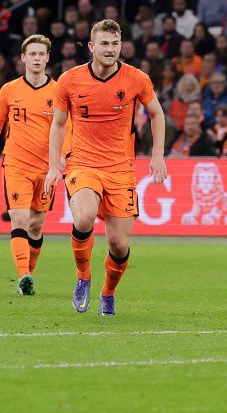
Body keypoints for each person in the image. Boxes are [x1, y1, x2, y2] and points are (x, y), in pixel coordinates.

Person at [44, 19, 168, 316]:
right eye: (104, 44)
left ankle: (108, 294)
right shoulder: (70, 80)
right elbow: (58, 123)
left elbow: (157, 113)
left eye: (115, 44)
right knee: (84, 218)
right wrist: (52, 166)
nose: (110, 49)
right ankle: (83, 276)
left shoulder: (136, 78)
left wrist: (158, 156)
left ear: (120, 45)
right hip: (83, 163)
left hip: (121, 170)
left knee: (118, 244)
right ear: (92, 46)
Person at [0, 34, 63, 295]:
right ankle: (23, 275)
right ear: (23, 58)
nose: (36, 58)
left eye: (40, 54)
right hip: (16, 165)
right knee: (19, 219)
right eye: (31, 54)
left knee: (36, 224)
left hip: (46, 169)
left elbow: (69, 127)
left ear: (47, 58)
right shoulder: (9, 90)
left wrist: (63, 157)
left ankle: (29, 274)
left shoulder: (58, 92)